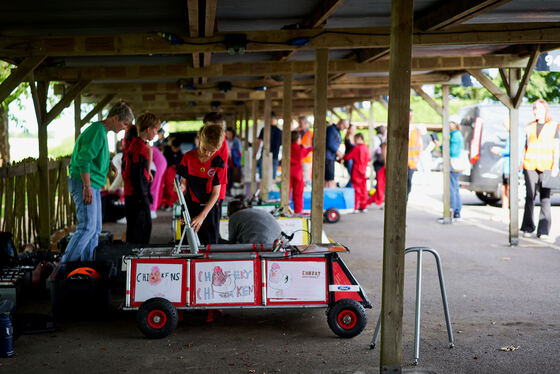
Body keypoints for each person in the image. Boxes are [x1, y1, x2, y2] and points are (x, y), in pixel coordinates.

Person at [61, 102, 133, 262]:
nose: (124, 128)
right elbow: (84, 159)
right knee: (87, 227)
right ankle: (63, 267)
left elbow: (95, 156)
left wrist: (109, 165)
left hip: (92, 183)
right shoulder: (97, 131)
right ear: (115, 118)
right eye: (124, 124)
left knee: (95, 229)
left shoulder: (102, 132)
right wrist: (86, 186)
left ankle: (88, 266)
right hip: (85, 183)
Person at [176, 124, 227, 244]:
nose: (208, 154)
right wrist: (180, 188)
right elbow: (183, 182)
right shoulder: (188, 157)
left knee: (210, 244)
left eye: (212, 151)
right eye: (204, 149)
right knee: (187, 242)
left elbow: (216, 193)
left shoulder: (219, 163)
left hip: (209, 209)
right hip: (190, 205)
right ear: (200, 140)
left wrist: (202, 216)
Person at [520, 99, 559, 240]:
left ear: (545, 110)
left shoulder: (553, 126)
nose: (536, 111)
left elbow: (556, 148)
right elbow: (526, 145)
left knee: (545, 198)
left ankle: (543, 230)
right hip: (530, 165)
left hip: (547, 165)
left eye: (539, 109)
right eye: (534, 109)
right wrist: (521, 162)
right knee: (530, 196)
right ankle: (527, 227)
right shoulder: (529, 126)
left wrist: (556, 166)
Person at [122, 113, 162, 244]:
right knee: (141, 229)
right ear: (148, 129)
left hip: (134, 193)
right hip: (136, 195)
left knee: (140, 227)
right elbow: (136, 175)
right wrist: (144, 195)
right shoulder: (139, 147)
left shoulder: (139, 144)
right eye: (155, 130)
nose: (156, 133)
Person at [343, 133, 370, 213]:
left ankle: (355, 207)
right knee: (364, 189)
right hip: (363, 170)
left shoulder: (357, 148)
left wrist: (342, 156)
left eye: (355, 139)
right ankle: (363, 206)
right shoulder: (366, 148)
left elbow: (348, 156)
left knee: (356, 190)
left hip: (356, 170)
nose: (354, 141)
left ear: (359, 138)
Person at [289, 131, 312, 214]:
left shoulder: (288, 147)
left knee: (286, 193)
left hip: (288, 171)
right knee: (298, 194)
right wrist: (308, 148)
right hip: (297, 171)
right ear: (297, 139)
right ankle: (298, 212)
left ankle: (284, 210)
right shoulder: (298, 148)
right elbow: (302, 154)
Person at [257, 112, 282, 182]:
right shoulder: (279, 131)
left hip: (265, 155)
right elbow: (281, 145)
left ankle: (263, 192)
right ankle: (270, 191)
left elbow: (259, 142)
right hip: (275, 156)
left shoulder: (264, 129)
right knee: (272, 178)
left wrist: (255, 153)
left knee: (262, 178)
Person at [160, 138, 183, 210]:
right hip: (167, 173)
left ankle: (171, 203)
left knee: (174, 188)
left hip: (175, 174)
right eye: (174, 148)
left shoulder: (180, 154)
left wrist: (176, 166)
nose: (175, 150)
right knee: (167, 188)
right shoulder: (167, 151)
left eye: (176, 148)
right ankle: (166, 203)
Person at [449, 115, 465, 220]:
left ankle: (454, 210)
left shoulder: (455, 135)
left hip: (453, 163)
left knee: (452, 188)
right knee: (455, 188)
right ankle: (457, 210)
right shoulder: (457, 134)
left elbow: (453, 151)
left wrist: (444, 147)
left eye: (451, 122)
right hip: (456, 163)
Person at [325, 119, 348, 188]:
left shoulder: (336, 131)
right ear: (341, 124)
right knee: (329, 179)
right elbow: (330, 143)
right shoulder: (332, 129)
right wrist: (338, 153)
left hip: (331, 157)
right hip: (328, 157)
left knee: (329, 178)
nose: (343, 129)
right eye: (344, 127)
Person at [149, 144, 167, 218]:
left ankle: (152, 209)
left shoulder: (145, 145)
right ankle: (153, 207)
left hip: (159, 163)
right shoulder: (145, 144)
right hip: (161, 162)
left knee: (154, 186)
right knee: (156, 186)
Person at [407, 109, 421, 200]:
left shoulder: (416, 130)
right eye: (409, 116)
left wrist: (417, 160)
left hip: (411, 162)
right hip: (401, 161)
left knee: (408, 182)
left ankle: (405, 200)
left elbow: (419, 146)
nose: (411, 118)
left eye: (412, 116)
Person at [368, 141, 387, 207]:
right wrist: (386, 164)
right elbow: (384, 154)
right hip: (381, 166)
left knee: (381, 184)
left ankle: (378, 199)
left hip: (381, 165)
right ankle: (379, 199)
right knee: (380, 184)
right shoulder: (385, 144)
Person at [226, 126, 243, 195]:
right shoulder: (225, 140)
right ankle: (227, 189)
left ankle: (229, 190)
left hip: (233, 161)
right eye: (227, 134)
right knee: (227, 175)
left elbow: (239, 152)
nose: (228, 135)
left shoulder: (236, 141)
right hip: (227, 160)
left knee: (231, 176)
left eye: (229, 134)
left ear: (233, 134)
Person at [298, 116, 313, 186]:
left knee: (306, 179)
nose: (299, 124)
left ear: (305, 123)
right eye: (299, 123)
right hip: (298, 159)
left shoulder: (311, 133)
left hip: (307, 159)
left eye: (301, 123)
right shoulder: (298, 132)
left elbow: (313, 146)